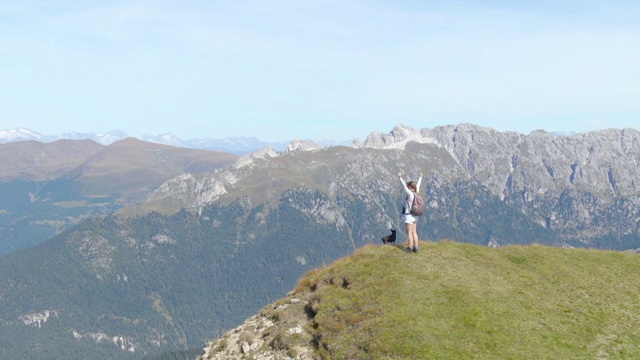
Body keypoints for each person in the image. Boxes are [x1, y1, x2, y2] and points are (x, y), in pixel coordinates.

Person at [399, 172, 423, 253]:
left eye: (408, 186)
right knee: (414, 232)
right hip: (415, 215)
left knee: (409, 232)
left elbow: (404, 186)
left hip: (408, 215)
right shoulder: (417, 193)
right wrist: (420, 177)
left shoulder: (410, 194)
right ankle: (416, 248)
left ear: (410, 187)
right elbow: (418, 185)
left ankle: (409, 248)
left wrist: (400, 178)